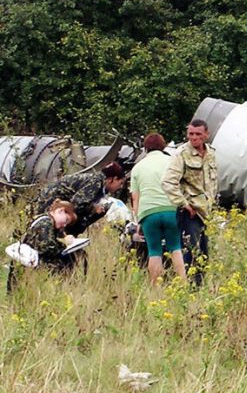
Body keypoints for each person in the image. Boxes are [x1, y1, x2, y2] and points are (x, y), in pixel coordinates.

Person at [162, 119, 218, 287]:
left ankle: (200, 288)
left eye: (198, 134)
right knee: (190, 254)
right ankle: (189, 288)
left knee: (203, 254)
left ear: (206, 134)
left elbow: (213, 182)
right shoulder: (181, 154)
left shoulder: (211, 153)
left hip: (206, 213)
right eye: (191, 134)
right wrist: (184, 204)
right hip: (190, 213)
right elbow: (168, 182)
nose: (194, 138)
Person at [130, 133, 188, 284]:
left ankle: (156, 288)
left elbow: (135, 197)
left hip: (149, 213)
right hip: (171, 209)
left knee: (154, 251)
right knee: (175, 248)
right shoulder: (172, 161)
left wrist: (138, 221)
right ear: (164, 146)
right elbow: (181, 186)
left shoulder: (137, 167)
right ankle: (182, 284)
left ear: (145, 148)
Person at [29, 162, 127, 235]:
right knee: (46, 232)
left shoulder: (98, 183)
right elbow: (76, 205)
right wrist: (93, 209)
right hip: (50, 201)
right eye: (120, 183)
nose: (121, 187)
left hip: (54, 202)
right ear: (111, 180)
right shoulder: (96, 183)